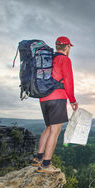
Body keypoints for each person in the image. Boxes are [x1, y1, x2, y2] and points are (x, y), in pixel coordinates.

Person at [33, 36, 78, 174]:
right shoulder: (65, 59)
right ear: (67, 47)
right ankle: (46, 164)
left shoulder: (48, 59)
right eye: (69, 47)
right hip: (57, 98)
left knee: (48, 127)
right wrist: (72, 100)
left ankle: (38, 158)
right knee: (55, 131)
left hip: (43, 98)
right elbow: (69, 82)